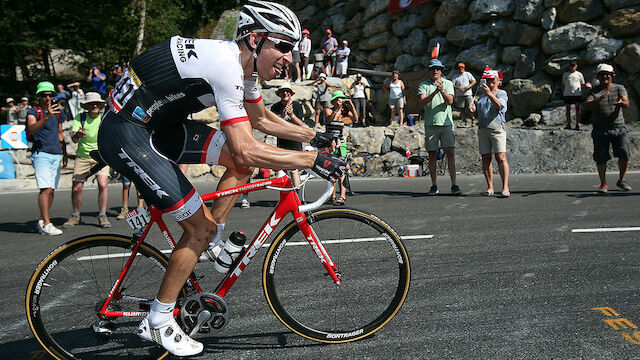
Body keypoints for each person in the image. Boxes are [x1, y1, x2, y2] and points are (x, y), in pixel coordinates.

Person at [96, 1, 344, 356]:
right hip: (129, 132)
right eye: (284, 47)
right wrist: (311, 159)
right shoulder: (227, 66)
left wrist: (313, 137)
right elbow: (245, 146)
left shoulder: (246, 68)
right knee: (201, 226)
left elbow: (259, 120)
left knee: (239, 170)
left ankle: (215, 245)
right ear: (256, 39)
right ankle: (159, 319)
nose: (291, 57)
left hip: (160, 126)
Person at [62, 92, 112, 229]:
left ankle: (102, 214)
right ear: (87, 106)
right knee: (77, 187)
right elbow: (74, 139)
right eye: (91, 103)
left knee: (102, 184)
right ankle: (75, 215)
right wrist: (77, 135)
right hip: (83, 156)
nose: (94, 105)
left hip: (101, 156)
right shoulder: (80, 117)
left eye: (97, 103)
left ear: (101, 105)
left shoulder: (105, 117)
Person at [26, 81, 68, 235]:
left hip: (55, 152)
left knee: (51, 190)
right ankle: (47, 223)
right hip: (41, 152)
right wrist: (46, 116)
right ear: (39, 96)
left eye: (50, 95)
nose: (48, 98)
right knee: (46, 188)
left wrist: (65, 153)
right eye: (44, 95)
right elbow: (32, 128)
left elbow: (60, 133)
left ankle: (42, 220)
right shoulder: (33, 111)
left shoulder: (57, 112)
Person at [585, 63, 631, 193]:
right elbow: (588, 105)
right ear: (598, 77)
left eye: (608, 75)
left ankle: (622, 180)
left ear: (612, 76)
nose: (605, 77)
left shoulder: (619, 88)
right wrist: (599, 99)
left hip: (619, 127)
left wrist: (623, 103)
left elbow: (626, 102)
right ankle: (603, 184)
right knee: (601, 157)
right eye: (602, 75)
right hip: (600, 129)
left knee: (624, 154)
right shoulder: (594, 91)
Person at [417, 59, 460, 196]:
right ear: (429, 71)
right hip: (431, 124)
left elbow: (450, 101)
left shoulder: (447, 84)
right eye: (432, 69)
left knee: (450, 153)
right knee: (432, 155)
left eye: (438, 68)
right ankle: (434, 184)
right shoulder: (423, 85)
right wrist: (435, 92)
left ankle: (454, 184)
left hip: (446, 124)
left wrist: (442, 91)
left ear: (441, 70)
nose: (435, 71)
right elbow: (422, 102)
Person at [469, 67, 510, 197]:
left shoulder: (501, 93)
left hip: (497, 128)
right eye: (487, 80)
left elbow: (500, 106)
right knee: (486, 158)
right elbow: (477, 115)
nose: (490, 83)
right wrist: (472, 111)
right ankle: (490, 187)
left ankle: (505, 187)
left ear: (498, 81)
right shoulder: (481, 97)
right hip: (483, 129)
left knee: (501, 157)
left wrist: (489, 94)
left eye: (492, 81)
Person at [324, 90, 357, 205]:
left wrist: (351, 105)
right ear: (334, 100)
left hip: (340, 143)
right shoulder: (328, 110)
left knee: (341, 170)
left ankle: (342, 196)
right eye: (339, 98)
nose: (341, 100)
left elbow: (355, 119)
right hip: (329, 143)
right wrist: (337, 110)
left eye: (342, 98)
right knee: (330, 170)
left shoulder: (344, 113)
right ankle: (331, 196)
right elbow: (329, 120)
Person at [271, 82, 305, 188]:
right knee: (282, 172)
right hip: (281, 143)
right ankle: (286, 196)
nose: (285, 93)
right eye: (282, 91)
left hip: (294, 143)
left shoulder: (297, 106)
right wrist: (282, 117)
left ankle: (297, 196)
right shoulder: (275, 107)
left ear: (290, 93)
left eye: (287, 91)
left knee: (294, 170)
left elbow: (301, 124)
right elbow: (272, 125)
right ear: (279, 94)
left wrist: (292, 115)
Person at [562, 61, 587, 130]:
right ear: (569, 66)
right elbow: (563, 84)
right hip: (567, 93)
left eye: (573, 66)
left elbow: (582, 84)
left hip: (576, 93)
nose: (572, 67)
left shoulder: (579, 74)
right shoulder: (565, 74)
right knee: (567, 109)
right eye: (571, 66)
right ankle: (568, 124)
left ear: (576, 66)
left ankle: (577, 124)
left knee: (578, 109)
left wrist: (579, 91)